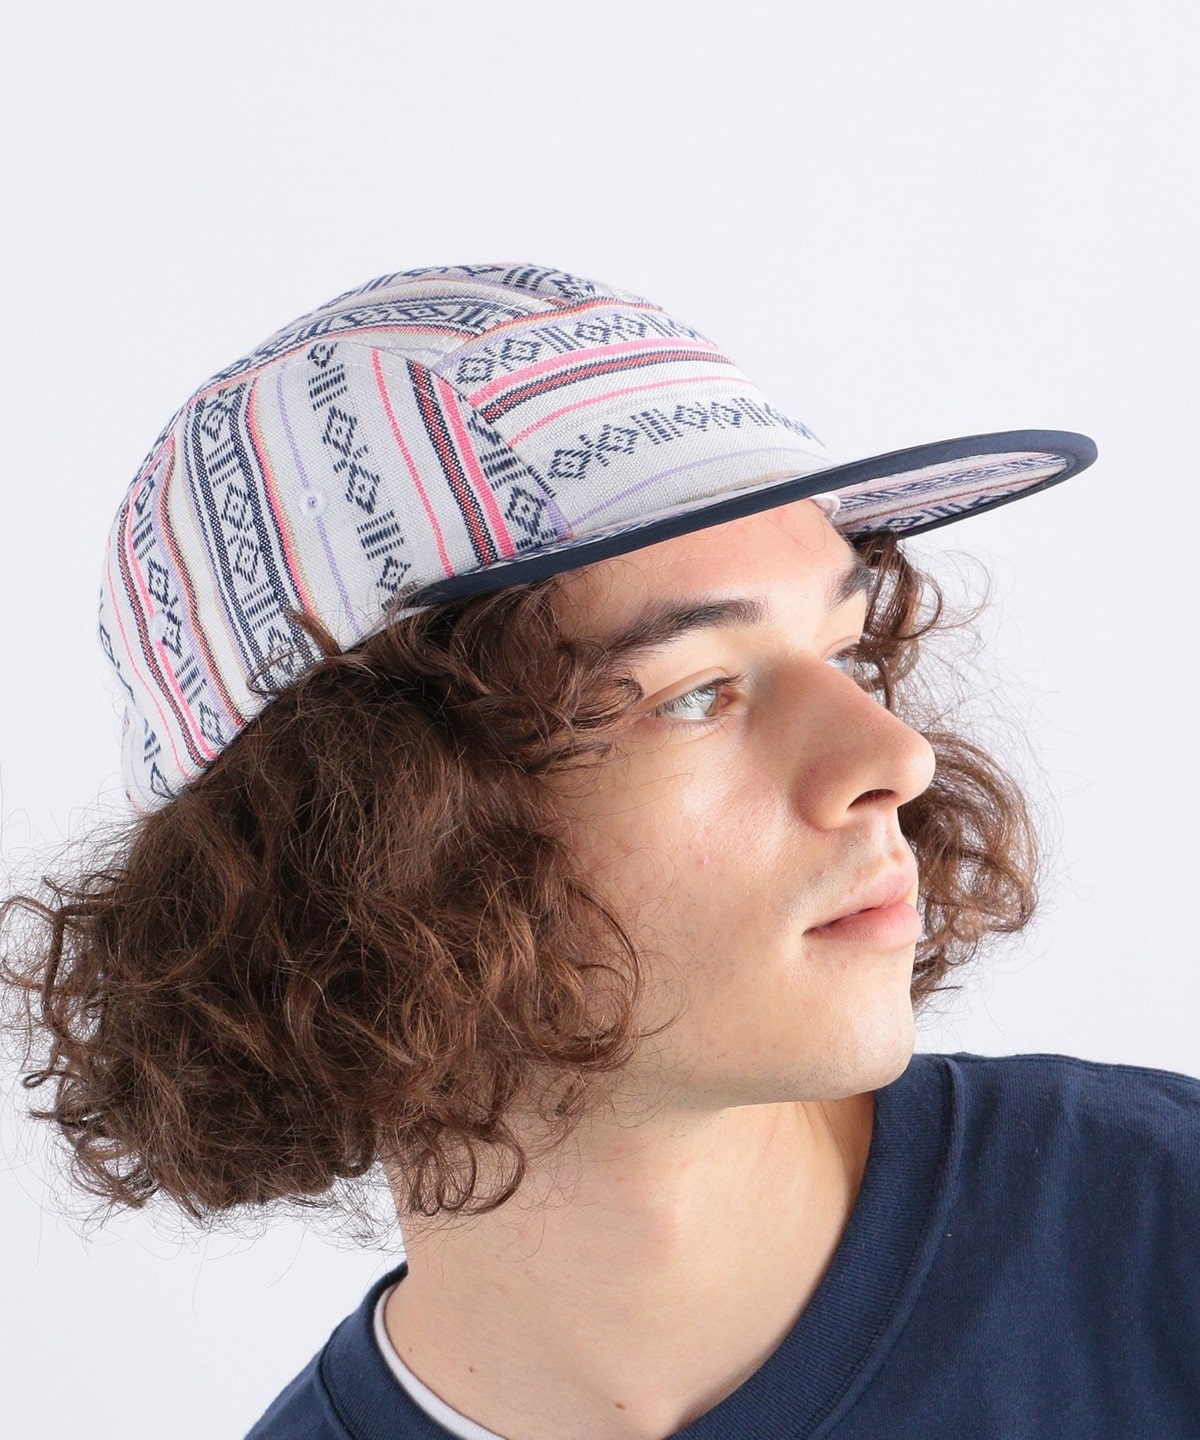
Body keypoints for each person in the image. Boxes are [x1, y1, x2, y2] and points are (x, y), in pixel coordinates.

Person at [2, 262, 1197, 1440]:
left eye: (846, 652)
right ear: (364, 849)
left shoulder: (1160, 1234)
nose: (896, 757)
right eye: (696, 692)